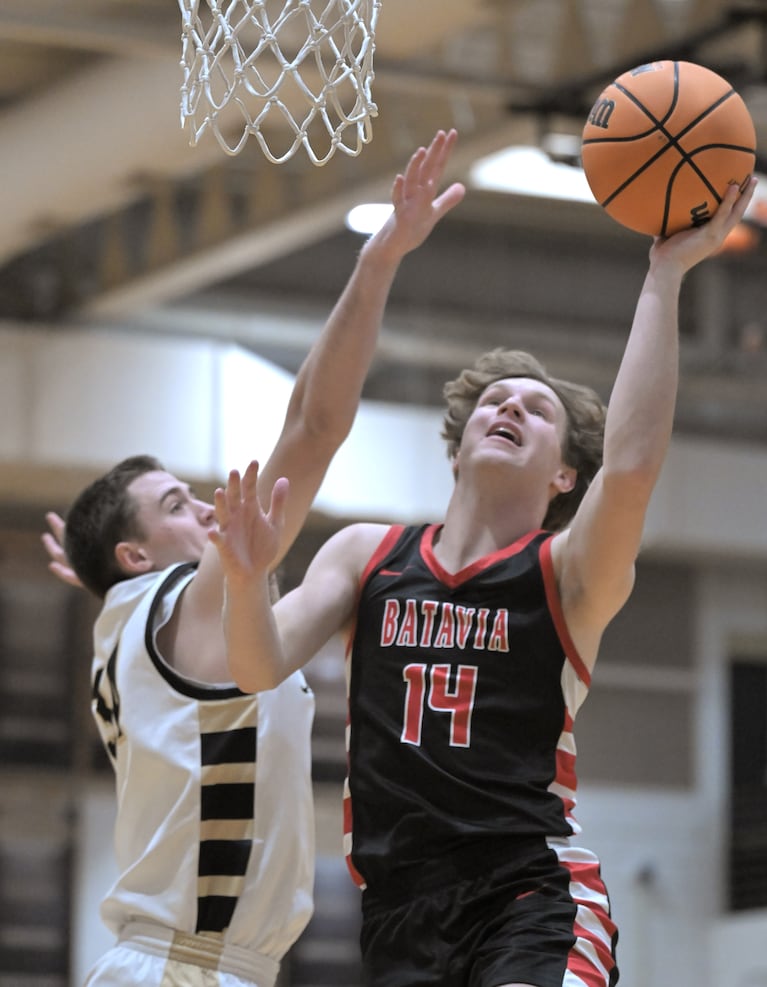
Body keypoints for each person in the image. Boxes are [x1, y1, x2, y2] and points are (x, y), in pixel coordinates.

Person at [209, 177, 756, 987]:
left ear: (566, 473)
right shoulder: (369, 554)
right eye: (494, 402)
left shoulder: (566, 571)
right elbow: (256, 667)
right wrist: (245, 579)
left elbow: (635, 465)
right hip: (398, 910)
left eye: (536, 411)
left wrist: (664, 276)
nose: (508, 408)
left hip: (530, 892)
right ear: (458, 445)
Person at [41, 129, 466, 987]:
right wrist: (382, 256)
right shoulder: (179, 603)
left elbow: (302, 422)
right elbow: (313, 425)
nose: (203, 506)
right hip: (184, 970)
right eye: (174, 505)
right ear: (135, 554)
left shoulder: (141, 621)